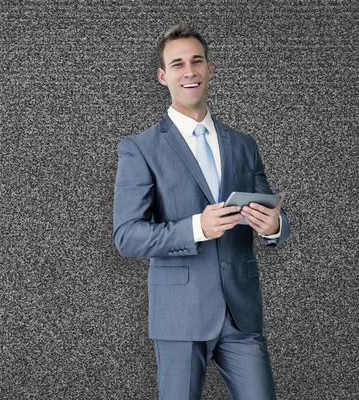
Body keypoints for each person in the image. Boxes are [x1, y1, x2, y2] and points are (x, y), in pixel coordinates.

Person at [113, 23, 290, 400]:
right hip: (180, 317)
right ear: (163, 76)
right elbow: (126, 235)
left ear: (211, 69)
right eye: (177, 64)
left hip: (241, 315)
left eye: (196, 61)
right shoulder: (140, 147)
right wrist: (196, 227)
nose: (189, 71)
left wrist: (274, 226)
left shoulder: (243, 144)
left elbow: (268, 210)